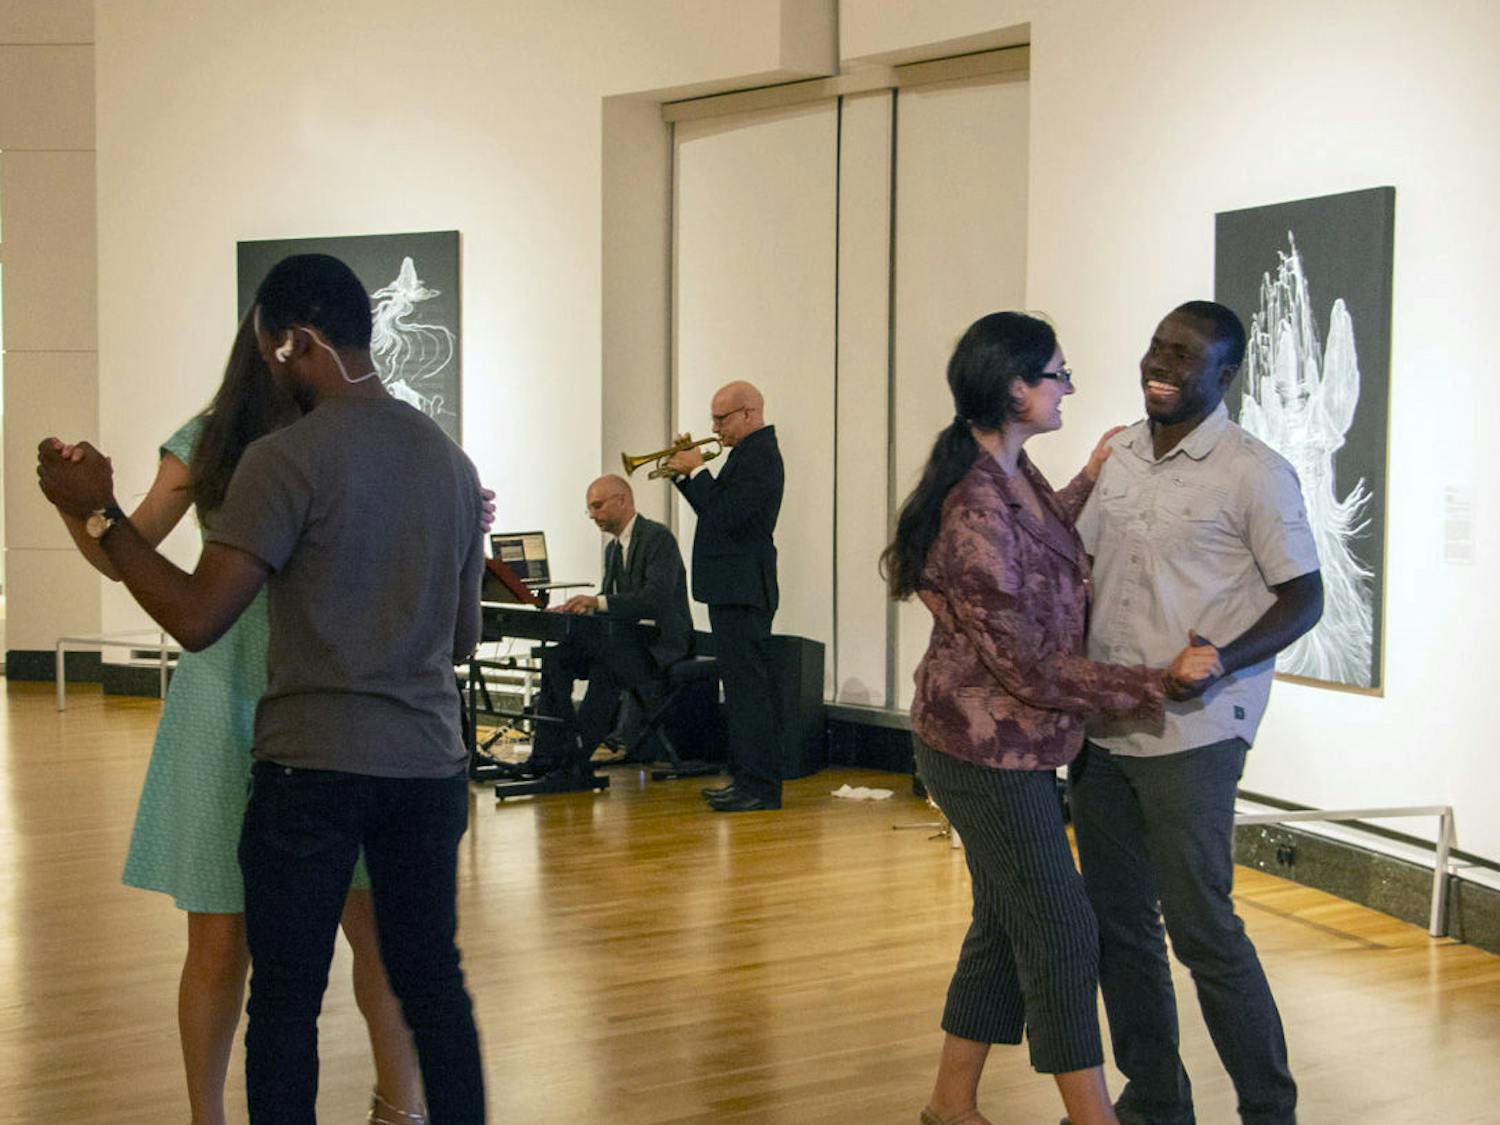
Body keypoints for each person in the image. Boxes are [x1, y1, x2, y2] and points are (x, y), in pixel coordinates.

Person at [38, 253, 488, 1124]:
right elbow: (461, 636)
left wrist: (93, 509)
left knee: (307, 985)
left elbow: (196, 608)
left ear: (291, 342)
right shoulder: (432, 455)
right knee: (268, 948)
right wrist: (87, 510)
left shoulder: (300, 454)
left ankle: (399, 1108)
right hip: (328, 725)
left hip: (310, 730)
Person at [880, 312, 1220, 1125]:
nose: (1070, 387)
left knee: (1003, 926)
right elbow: (1028, 663)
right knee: (1065, 931)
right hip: (982, 754)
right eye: (1059, 374)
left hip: (1010, 746)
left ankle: (950, 1104)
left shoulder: (1004, 469)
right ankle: (1093, 1117)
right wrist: (1156, 681)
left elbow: (1039, 545)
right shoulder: (973, 506)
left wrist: (1092, 474)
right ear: (1016, 388)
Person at [1070, 300, 1323, 1125]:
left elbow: (1304, 596)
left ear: (1224, 375)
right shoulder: (1117, 457)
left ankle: (1267, 1108)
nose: (1163, 363)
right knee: (1118, 926)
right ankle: (1157, 1097)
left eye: (1184, 355)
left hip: (1197, 731)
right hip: (1110, 727)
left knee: (1201, 929)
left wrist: (1223, 658)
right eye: (1156, 347)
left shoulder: (1254, 470)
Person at [519, 473, 691, 782]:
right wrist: (582, 608)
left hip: (661, 645)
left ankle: (575, 759)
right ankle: (545, 755)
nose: (593, 515)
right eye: (590, 509)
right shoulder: (613, 550)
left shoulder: (658, 538)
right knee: (557, 659)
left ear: (622, 500)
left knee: (607, 665)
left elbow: (653, 601)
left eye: (597, 506)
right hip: (628, 641)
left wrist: (597, 602)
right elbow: (613, 601)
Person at [665, 380, 785, 813]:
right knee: (738, 691)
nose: (714, 428)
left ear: (749, 413)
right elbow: (716, 510)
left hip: (744, 589)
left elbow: (726, 517)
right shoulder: (746, 455)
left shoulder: (761, 456)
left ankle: (761, 786)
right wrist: (685, 476)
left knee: (749, 692)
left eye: (722, 418)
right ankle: (746, 778)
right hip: (733, 588)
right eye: (713, 418)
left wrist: (696, 471)